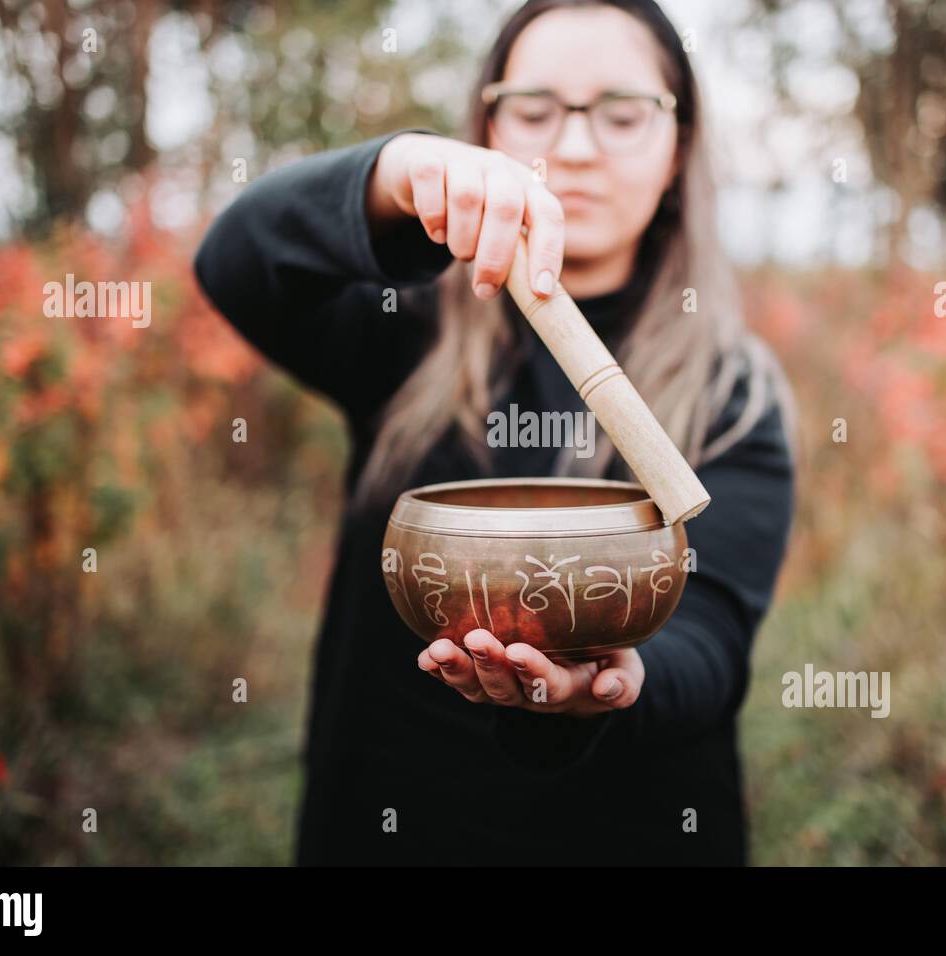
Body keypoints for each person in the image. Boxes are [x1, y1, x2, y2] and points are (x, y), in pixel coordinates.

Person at [193, 0, 795, 865]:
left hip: (634, 836)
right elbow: (237, 262)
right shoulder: (404, 328)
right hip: (389, 821)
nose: (577, 148)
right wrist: (392, 174)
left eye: (624, 114)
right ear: (485, 130)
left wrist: (607, 685)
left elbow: (709, 642)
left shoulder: (736, 394)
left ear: (680, 149)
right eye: (535, 110)